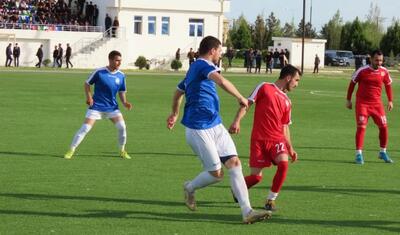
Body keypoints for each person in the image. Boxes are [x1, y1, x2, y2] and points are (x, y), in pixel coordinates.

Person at [166, 36, 271, 224]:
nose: (221, 54)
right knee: (217, 174)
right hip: (198, 128)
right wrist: (240, 97)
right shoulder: (201, 65)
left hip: (215, 124)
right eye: (220, 50)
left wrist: (174, 113)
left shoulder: (194, 70)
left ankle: (247, 211)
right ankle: (189, 187)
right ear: (213, 50)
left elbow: (177, 93)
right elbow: (221, 81)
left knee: (235, 164)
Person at [229, 64, 301, 212]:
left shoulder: (287, 101)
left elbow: (285, 126)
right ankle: (237, 188)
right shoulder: (264, 87)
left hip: (277, 140)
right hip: (259, 140)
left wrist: (290, 148)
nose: (296, 84)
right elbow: (247, 103)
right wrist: (237, 121)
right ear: (288, 77)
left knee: (284, 164)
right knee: (256, 177)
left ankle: (271, 200)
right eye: (296, 80)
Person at [64, 50, 133, 160]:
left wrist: (125, 102)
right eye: (117, 60)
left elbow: (121, 91)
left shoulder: (121, 75)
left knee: (122, 127)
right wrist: (89, 97)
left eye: (120, 61)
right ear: (110, 60)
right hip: (96, 107)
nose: (119, 63)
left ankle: (122, 150)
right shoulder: (99, 72)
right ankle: (71, 150)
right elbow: (87, 84)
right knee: (85, 128)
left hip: (112, 108)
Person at [346, 49, 394, 164]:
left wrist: (390, 100)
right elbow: (352, 84)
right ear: (371, 59)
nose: (379, 63)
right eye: (377, 60)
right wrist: (348, 99)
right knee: (361, 127)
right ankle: (358, 154)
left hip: (377, 104)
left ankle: (383, 152)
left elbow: (388, 85)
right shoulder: (362, 71)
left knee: (384, 127)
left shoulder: (384, 71)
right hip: (362, 104)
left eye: (381, 60)